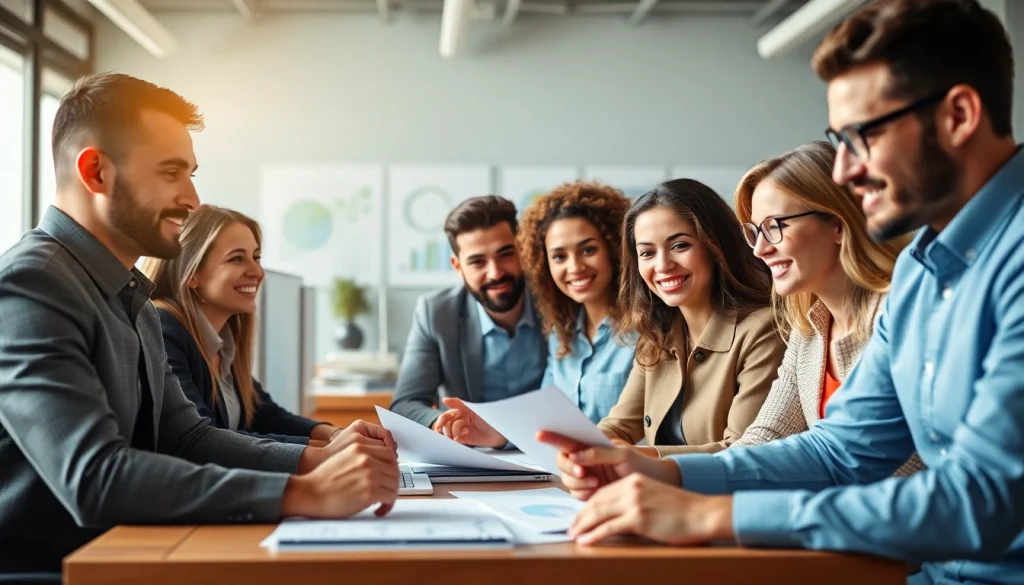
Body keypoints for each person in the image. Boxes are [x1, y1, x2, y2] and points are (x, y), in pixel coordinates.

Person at [538, 1, 1024, 582]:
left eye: (862, 136)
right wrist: (666, 475)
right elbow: (840, 449)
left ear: (959, 116)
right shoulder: (922, 272)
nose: (843, 170)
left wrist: (717, 515)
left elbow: (980, 503)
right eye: (836, 141)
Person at [0, 73, 398, 575]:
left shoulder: (135, 300)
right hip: (53, 570)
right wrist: (304, 492)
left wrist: (322, 461)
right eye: (171, 173)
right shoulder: (32, 284)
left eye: (191, 173)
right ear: (96, 172)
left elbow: (188, 438)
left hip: (128, 555)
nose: (191, 197)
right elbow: (94, 477)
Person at [731, 141, 922, 476]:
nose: (760, 249)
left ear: (837, 223)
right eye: (755, 232)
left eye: (776, 226)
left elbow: (888, 464)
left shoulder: (901, 310)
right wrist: (678, 483)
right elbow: (767, 435)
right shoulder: (808, 329)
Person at [431, 181, 634, 447]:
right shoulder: (562, 334)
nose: (575, 267)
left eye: (588, 250)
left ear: (614, 249)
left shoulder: (646, 331)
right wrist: (496, 434)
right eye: (559, 257)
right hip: (566, 478)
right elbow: (546, 422)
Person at [595, 179, 786, 456]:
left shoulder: (764, 329)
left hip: (722, 496)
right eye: (647, 252)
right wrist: (583, 448)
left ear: (715, 245)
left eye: (680, 246)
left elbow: (743, 451)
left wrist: (638, 457)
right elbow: (619, 426)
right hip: (662, 492)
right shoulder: (658, 333)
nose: (662, 265)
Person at [141, 205, 343, 446]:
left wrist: (335, 435)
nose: (257, 271)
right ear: (192, 272)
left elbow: (262, 412)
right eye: (237, 258)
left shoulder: (221, 341)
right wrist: (326, 452)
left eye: (256, 257)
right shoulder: (163, 329)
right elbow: (205, 439)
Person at [388, 195, 547, 442]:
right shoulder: (436, 313)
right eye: (477, 261)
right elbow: (405, 403)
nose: (495, 272)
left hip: (549, 449)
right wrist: (442, 423)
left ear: (523, 250)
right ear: (457, 266)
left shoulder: (556, 303)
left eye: (505, 254)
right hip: (476, 455)